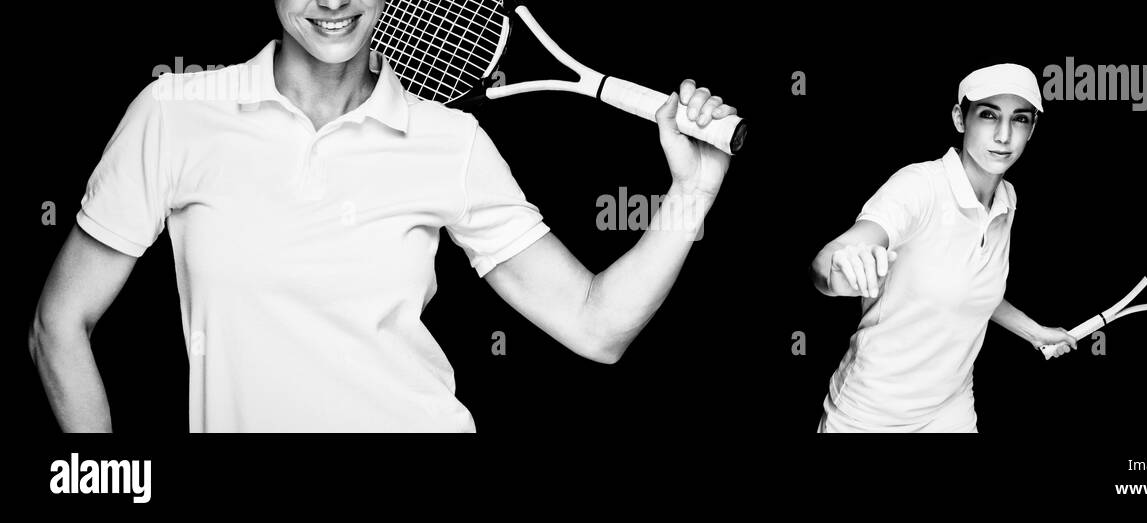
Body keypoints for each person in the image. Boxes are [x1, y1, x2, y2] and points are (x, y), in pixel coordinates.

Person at [28, 0, 737, 432]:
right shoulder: (175, 113)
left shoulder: (450, 141)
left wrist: (690, 195)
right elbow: (57, 326)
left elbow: (595, 326)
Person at [809, 63, 1076, 433]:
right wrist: (840, 265)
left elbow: (972, 288)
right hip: (870, 413)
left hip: (951, 412)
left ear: (1032, 129)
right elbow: (831, 262)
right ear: (959, 118)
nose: (1003, 135)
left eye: (1019, 119)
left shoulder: (1006, 201)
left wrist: (1035, 331)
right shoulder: (919, 186)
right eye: (988, 115)